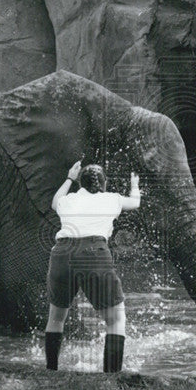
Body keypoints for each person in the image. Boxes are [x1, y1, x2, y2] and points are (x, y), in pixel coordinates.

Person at [44, 160, 141, 373]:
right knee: (115, 319)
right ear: (104, 183)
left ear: (80, 184)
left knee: (56, 317)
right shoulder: (112, 199)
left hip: (62, 252)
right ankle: (110, 377)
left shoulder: (69, 199)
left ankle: (51, 371)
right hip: (94, 252)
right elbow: (135, 203)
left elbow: (54, 202)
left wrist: (69, 177)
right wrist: (134, 183)